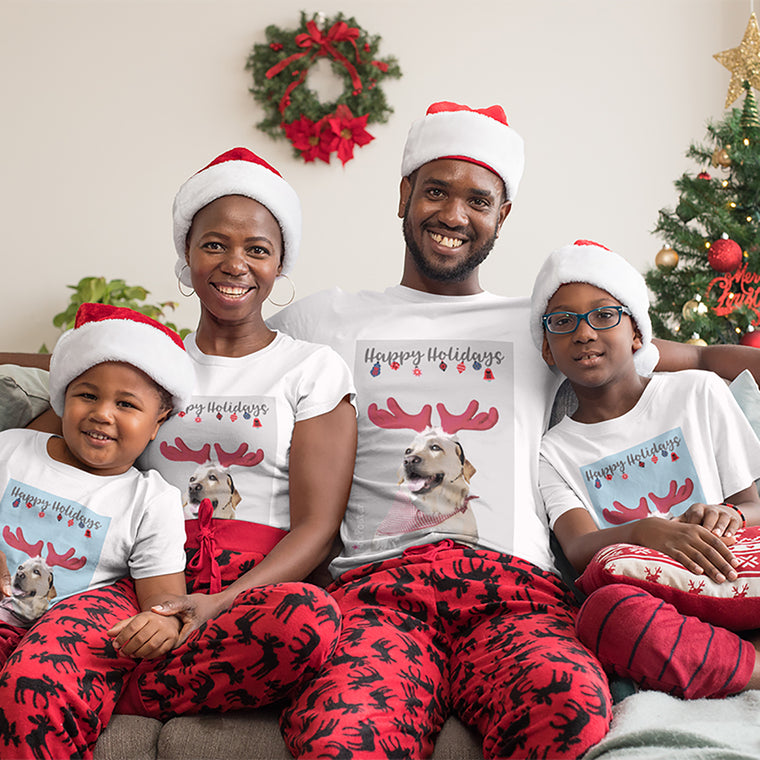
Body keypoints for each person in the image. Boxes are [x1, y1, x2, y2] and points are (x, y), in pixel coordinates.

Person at [268, 100, 760, 760]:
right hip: (378, 594)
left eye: (478, 199)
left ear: (502, 216)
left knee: (569, 708)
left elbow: (695, 357)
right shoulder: (323, 320)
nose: (453, 215)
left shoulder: (546, 325)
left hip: (517, 597)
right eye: (436, 191)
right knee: (342, 735)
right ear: (404, 195)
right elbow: (205, 376)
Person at [0, 147, 358, 760]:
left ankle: (113, 683)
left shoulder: (311, 367)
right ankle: (85, 675)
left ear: (279, 263)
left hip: (248, 587)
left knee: (308, 620)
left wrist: (217, 602)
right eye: (214, 244)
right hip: (134, 578)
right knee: (40, 674)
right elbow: (56, 437)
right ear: (187, 254)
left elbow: (319, 530)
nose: (235, 264)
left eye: (257, 249)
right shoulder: (144, 363)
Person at [532, 238, 760, 699]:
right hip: (659, 604)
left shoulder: (697, 392)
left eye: (603, 315)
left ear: (636, 332)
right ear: (548, 351)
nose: (584, 332)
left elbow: (753, 506)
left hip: (734, 571)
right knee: (602, 614)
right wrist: (645, 532)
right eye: (563, 322)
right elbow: (577, 547)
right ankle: (747, 665)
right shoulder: (552, 451)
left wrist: (728, 515)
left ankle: (721, 658)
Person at [0, 302, 192, 667]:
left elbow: (164, 598)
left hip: (58, 652)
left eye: (126, 404)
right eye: (87, 395)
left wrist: (161, 623)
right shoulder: (11, 447)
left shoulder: (150, 499)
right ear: (62, 398)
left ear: (157, 423)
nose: (102, 413)